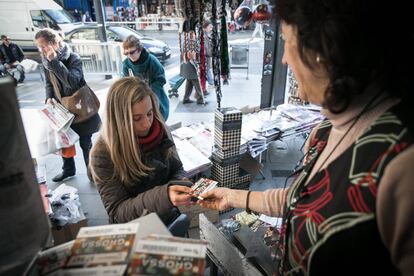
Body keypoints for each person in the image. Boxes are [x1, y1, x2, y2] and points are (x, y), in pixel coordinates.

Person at [198, 1, 414, 275]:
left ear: (322, 51)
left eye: (287, 41)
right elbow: (301, 200)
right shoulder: (326, 129)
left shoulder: (403, 164)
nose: (284, 60)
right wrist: (233, 196)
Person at [89, 77, 193, 227]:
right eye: (136, 118)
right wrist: (165, 196)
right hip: (136, 231)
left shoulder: (161, 129)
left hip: (169, 218)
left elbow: (177, 168)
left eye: (150, 113)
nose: (147, 124)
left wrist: (180, 183)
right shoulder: (102, 153)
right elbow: (117, 212)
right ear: (119, 119)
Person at [35, 28, 101, 182]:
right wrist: (48, 98)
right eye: (40, 47)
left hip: (80, 108)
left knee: (86, 143)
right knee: (65, 142)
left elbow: (72, 83)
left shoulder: (73, 58)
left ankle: (93, 174)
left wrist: (55, 62)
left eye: (44, 46)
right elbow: (49, 83)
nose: (42, 50)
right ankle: (69, 169)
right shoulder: (46, 61)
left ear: (55, 43)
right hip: (61, 109)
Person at [122, 35, 170, 121]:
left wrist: (148, 91)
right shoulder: (126, 64)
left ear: (139, 49)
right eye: (126, 53)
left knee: (157, 120)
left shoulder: (152, 61)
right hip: (137, 98)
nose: (129, 56)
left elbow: (161, 79)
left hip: (155, 96)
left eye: (132, 52)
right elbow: (125, 84)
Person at [202, 20, 214, 93]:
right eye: (210, 27)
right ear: (205, 27)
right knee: (207, 70)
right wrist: (212, 53)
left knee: (208, 70)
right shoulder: (204, 36)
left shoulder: (205, 35)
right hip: (205, 59)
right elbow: (206, 49)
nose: (211, 28)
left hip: (206, 59)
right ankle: (211, 83)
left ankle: (211, 83)